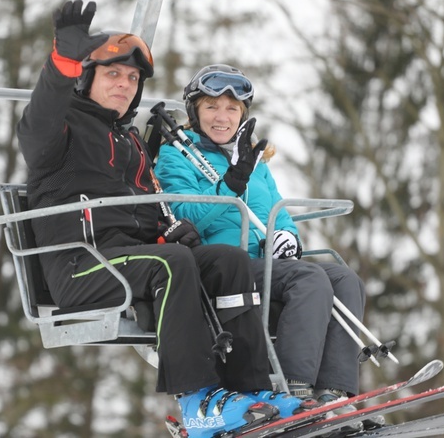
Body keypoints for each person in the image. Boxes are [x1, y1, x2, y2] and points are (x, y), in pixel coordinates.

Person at [17, 2, 307, 437]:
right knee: (171, 263)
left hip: (132, 255)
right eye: (112, 74)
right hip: (82, 262)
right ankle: (197, 400)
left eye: (132, 78)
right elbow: (37, 122)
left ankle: (251, 390)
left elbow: (153, 201)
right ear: (87, 77)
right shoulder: (61, 131)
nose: (124, 85)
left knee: (226, 260)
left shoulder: (129, 138)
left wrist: (171, 227)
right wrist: (62, 61)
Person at [155, 64, 380, 429]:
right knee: (307, 280)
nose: (221, 117)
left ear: (242, 115)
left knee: (343, 279)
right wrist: (230, 183)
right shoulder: (176, 156)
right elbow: (181, 213)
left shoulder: (255, 162)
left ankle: (335, 394)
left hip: (266, 262)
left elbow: (278, 210)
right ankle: (295, 390)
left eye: (231, 109)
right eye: (211, 107)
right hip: (223, 267)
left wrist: (287, 237)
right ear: (195, 111)